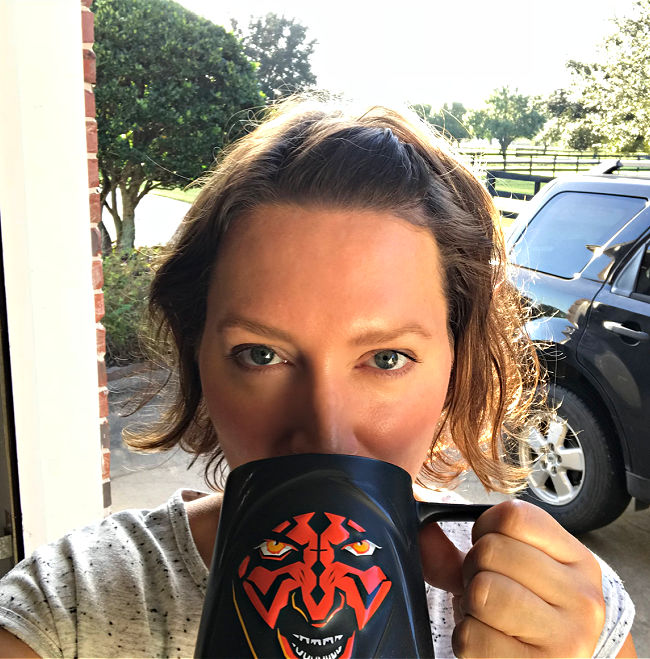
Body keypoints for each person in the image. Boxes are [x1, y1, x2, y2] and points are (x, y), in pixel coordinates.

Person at [0, 96, 636, 658]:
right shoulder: (74, 609)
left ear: (456, 364)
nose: (325, 434)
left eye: (386, 358)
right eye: (260, 354)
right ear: (199, 358)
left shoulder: (570, 617)